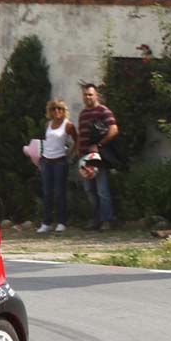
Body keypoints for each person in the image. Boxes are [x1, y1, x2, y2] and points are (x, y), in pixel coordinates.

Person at [76, 83, 119, 231]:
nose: (87, 97)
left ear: (96, 95)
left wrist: (99, 145)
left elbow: (113, 130)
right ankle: (95, 219)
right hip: (84, 158)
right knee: (89, 191)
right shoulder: (82, 114)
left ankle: (107, 220)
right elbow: (81, 135)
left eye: (90, 94)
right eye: (85, 94)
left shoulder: (103, 111)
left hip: (98, 157)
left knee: (102, 190)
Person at [36, 99, 77, 234]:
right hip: (47, 161)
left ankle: (61, 222)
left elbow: (77, 141)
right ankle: (46, 222)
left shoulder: (68, 125)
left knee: (60, 192)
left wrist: (69, 155)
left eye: (59, 109)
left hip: (60, 161)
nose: (57, 111)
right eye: (54, 109)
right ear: (50, 111)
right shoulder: (48, 124)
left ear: (64, 111)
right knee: (47, 192)